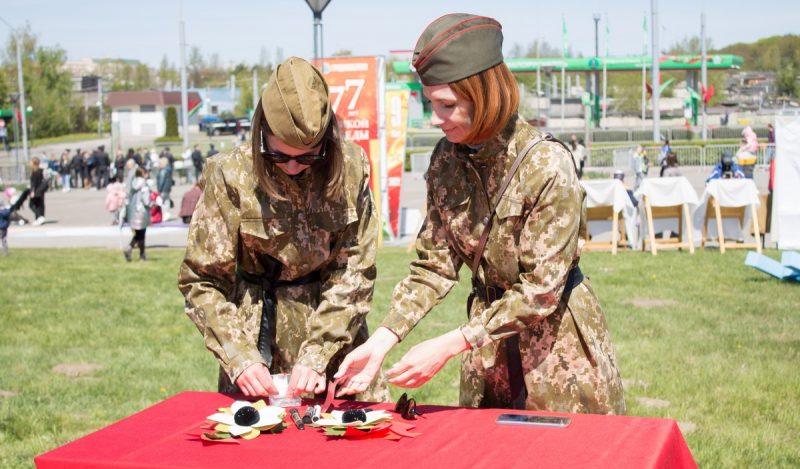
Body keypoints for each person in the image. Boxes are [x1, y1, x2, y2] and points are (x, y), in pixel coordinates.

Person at [334, 14, 625, 415]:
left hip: (558, 354)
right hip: (486, 355)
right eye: (429, 103)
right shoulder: (446, 161)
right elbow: (433, 266)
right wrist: (382, 339)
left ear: (485, 94)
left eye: (447, 105)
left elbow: (541, 289)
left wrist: (452, 343)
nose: (435, 118)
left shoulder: (545, 164)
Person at [178, 57, 388, 402]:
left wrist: (319, 352)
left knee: (355, 444)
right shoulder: (231, 174)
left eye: (307, 157)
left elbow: (354, 271)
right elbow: (201, 281)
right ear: (262, 132)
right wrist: (240, 357)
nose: (292, 167)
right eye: (278, 156)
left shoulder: (350, 167)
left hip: (335, 333)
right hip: (256, 345)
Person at [123, 167, 152, 262]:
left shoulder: (133, 183)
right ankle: (142, 255)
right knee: (142, 234)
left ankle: (130, 248)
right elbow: (146, 200)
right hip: (142, 211)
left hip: (133, 211)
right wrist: (153, 204)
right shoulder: (144, 184)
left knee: (138, 233)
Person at [28, 157, 47, 225]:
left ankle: (40, 217)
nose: (29, 164)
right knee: (39, 205)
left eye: (31, 162)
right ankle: (38, 218)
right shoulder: (39, 171)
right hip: (40, 190)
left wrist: (32, 191)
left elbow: (34, 183)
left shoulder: (36, 172)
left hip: (36, 191)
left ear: (34, 163)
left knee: (32, 205)